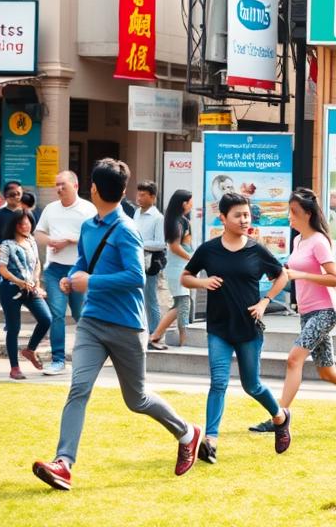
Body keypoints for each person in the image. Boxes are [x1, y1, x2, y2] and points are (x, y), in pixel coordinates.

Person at [32, 159, 202, 490]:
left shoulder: (125, 230)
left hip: (126, 325)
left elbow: (135, 278)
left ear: (93, 188)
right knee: (78, 389)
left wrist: (90, 282)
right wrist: (70, 278)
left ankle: (186, 432)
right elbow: (82, 261)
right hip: (92, 323)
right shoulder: (89, 226)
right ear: (123, 190)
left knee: (136, 399)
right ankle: (63, 463)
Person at [181, 191, 290, 462]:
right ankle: (211, 440)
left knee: (251, 385)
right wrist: (203, 283)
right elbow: (185, 277)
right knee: (218, 382)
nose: (244, 220)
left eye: (247, 215)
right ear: (223, 218)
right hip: (218, 328)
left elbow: (282, 275)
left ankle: (280, 417)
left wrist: (265, 302)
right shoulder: (208, 249)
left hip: (249, 328)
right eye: (238, 215)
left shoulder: (256, 249)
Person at [265, 188, 336, 434]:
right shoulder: (298, 241)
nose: (290, 217)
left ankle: (279, 416)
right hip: (307, 312)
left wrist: (300, 274)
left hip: (324, 312)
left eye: (294, 212)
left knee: (293, 359)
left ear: (307, 214)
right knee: (327, 371)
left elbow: (335, 279)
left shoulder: (319, 241)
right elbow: (295, 269)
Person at [35, 171, 98, 375]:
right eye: (56, 185)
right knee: (57, 315)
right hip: (54, 270)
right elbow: (38, 233)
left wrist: (70, 240)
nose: (59, 188)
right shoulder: (51, 209)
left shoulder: (88, 209)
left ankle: (88, 356)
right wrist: (50, 241)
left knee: (82, 315)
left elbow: (95, 237)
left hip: (79, 270)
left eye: (63, 185)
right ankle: (58, 359)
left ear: (75, 186)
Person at [0, 209, 53, 380]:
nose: (25, 226)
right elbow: (2, 268)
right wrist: (19, 282)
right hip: (10, 289)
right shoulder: (6, 245)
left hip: (30, 289)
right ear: (14, 225)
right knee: (14, 328)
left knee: (46, 319)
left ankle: (30, 350)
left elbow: (37, 264)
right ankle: (14, 368)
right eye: (21, 223)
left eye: (28, 223)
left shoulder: (32, 241)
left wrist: (36, 281)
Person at [150, 190, 194, 349]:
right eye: (190, 201)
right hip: (178, 269)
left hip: (177, 268)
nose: (192, 204)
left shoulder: (178, 220)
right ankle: (157, 336)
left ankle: (174, 339)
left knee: (180, 305)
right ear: (184, 203)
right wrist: (192, 259)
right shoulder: (178, 222)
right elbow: (175, 247)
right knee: (182, 305)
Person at [132, 181, 167, 336]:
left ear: (153, 197)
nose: (139, 197)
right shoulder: (136, 213)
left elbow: (161, 243)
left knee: (150, 298)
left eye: (143, 194)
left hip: (149, 263)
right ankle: (142, 329)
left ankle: (155, 333)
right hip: (134, 261)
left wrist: (139, 243)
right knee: (137, 297)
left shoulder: (158, 218)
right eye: (138, 194)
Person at [0, 181, 24, 267]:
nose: (17, 197)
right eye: (13, 194)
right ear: (6, 195)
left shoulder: (26, 213)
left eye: (19, 194)